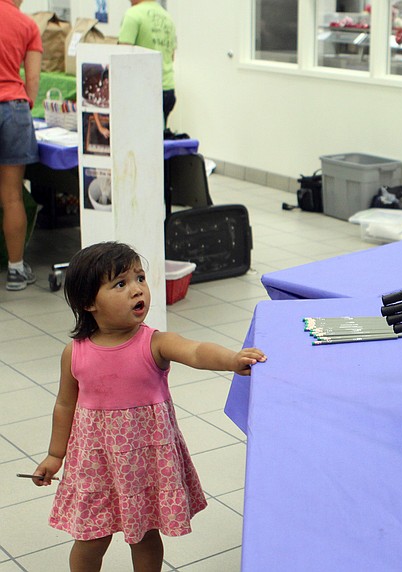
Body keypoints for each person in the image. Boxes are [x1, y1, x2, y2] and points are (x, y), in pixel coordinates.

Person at [29, 242, 267, 572]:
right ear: (88, 303)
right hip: (95, 463)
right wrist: (55, 456)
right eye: (120, 284)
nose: (137, 290)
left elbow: (195, 351)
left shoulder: (154, 342)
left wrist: (231, 359)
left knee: (145, 534)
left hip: (144, 462)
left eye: (139, 278)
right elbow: (64, 404)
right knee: (90, 539)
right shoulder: (76, 353)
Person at [0, 0, 41, 291]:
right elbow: (33, 78)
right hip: (13, 108)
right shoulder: (28, 25)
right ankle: (16, 270)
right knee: (12, 195)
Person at [118, 0, 177, 128]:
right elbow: (172, 56)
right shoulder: (167, 17)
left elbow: (121, 57)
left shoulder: (132, 15)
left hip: (143, 90)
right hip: (167, 89)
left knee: (137, 142)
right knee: (157, 141)